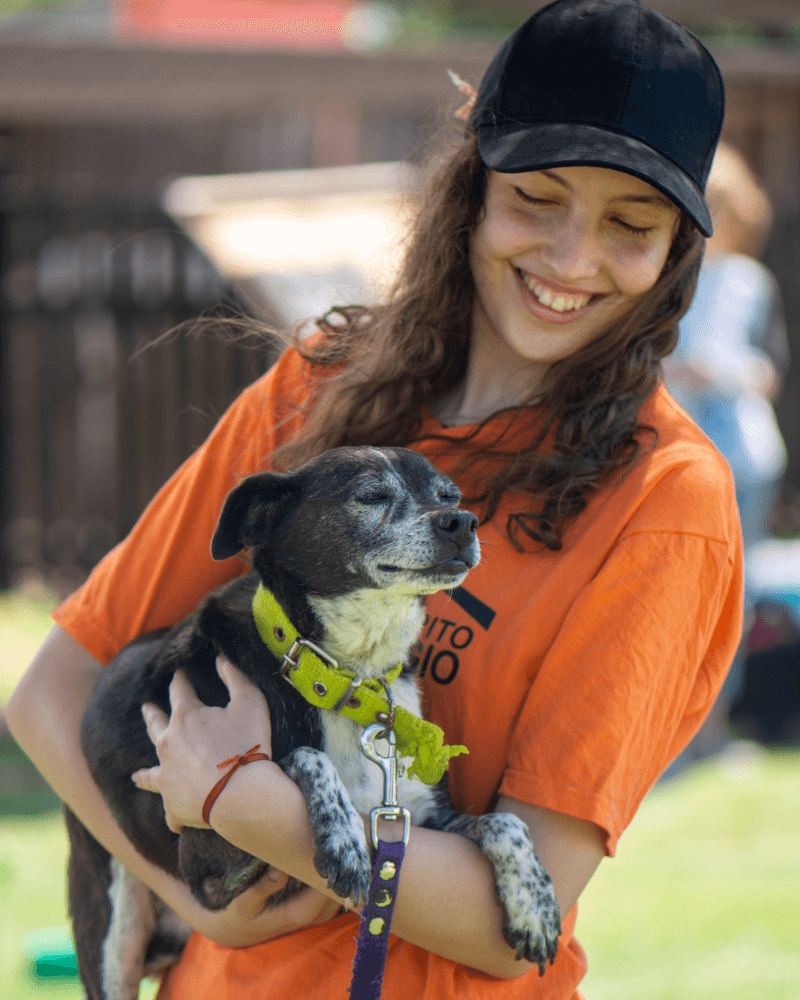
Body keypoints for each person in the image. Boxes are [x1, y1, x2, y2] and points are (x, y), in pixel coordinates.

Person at [6, 2, 742, 998]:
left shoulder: (666, 501)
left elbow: (507, 922)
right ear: (470, 190)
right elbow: (52, 695)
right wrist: (192, 900)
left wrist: (249, 806)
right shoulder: (321, 385)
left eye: (630, 225)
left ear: (675, 253)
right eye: (536, 198)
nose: (572, 259)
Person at [662, 141, 789, 761]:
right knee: (673, 594)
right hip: (675, 462)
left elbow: (771, 372)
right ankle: (666, 725)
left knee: (732, 598)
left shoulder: (750, 283)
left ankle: (713, 732)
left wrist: (724, 373)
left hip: (745, 462)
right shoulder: (664, 278)